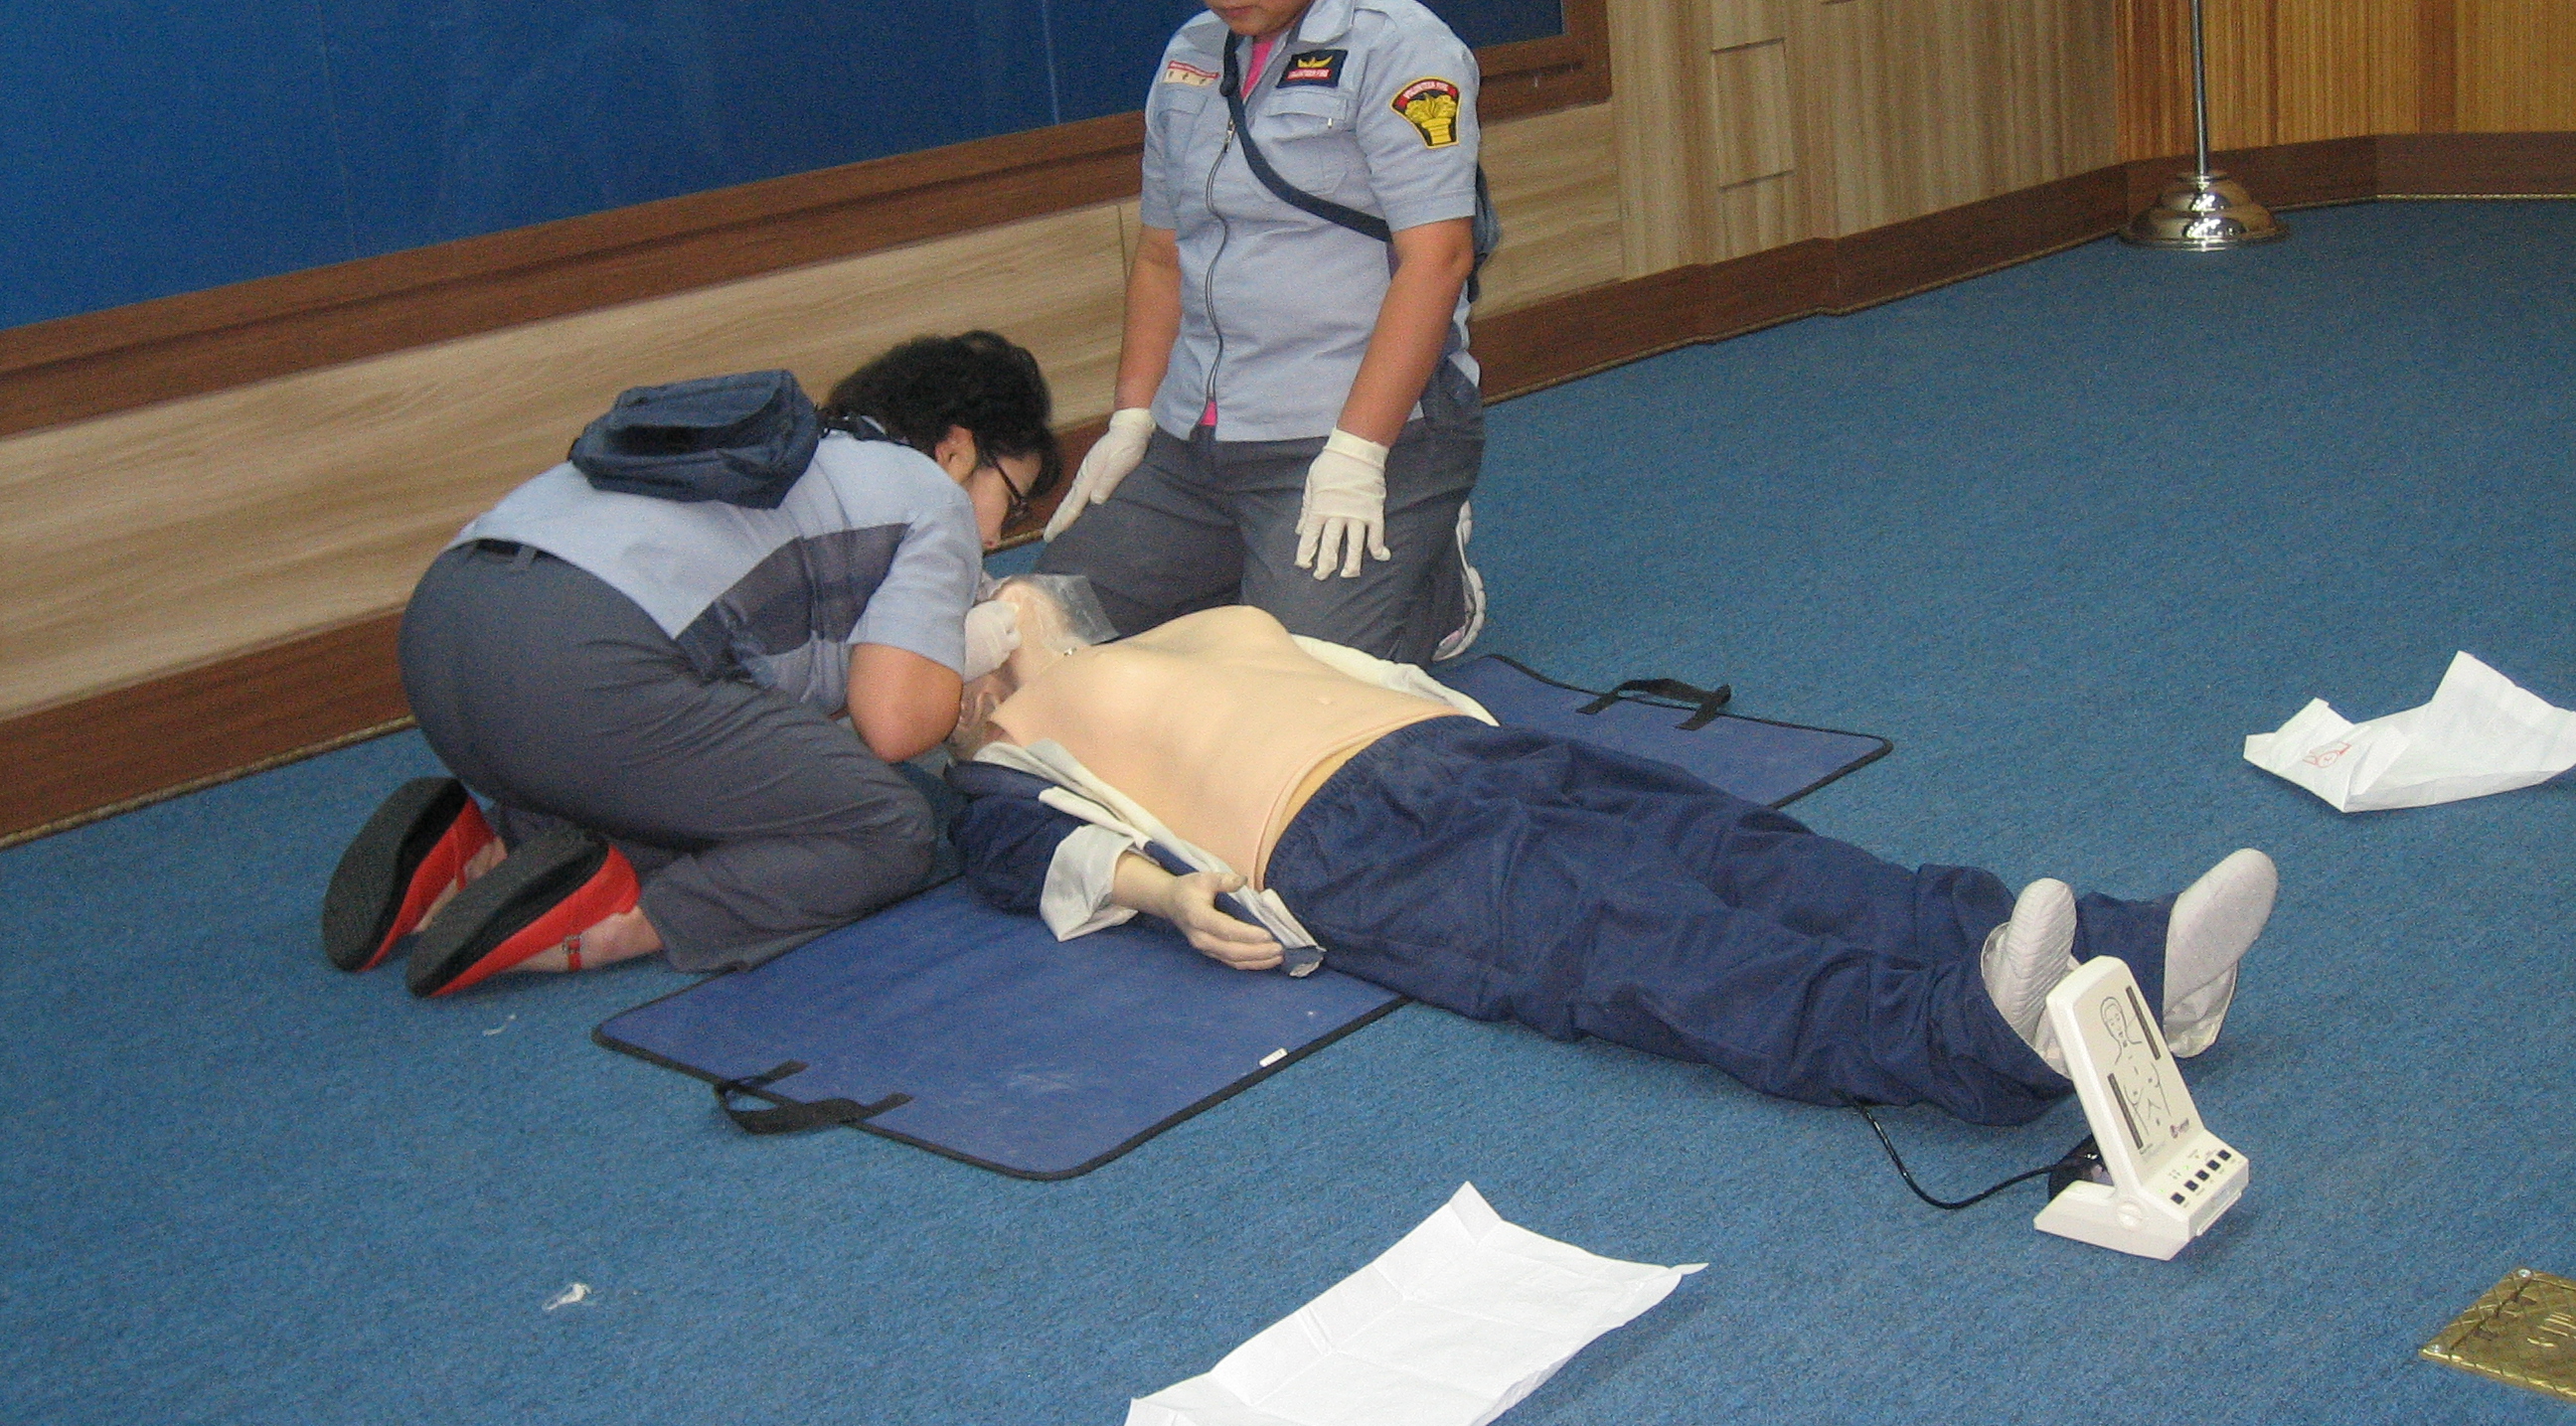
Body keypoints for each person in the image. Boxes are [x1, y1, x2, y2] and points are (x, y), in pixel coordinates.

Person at [944, 586, 2278, 1126]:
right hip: (1350, 842)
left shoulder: (1179, 621)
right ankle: (1967, 1040)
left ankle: (2133, 961)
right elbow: (1017, 849)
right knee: (1658, 939)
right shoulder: (1000, 747)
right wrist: (1170, 894)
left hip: (1471, 751)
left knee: (1759, 856)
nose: (1005, 586)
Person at [323, 332, 1061, 998]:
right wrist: (964, 650)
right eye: (1013, 501)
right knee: (886, 823)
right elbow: (896, 728)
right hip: (580, 671)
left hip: (442, 636)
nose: (998, 537)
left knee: (737, 772)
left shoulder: (786, 451)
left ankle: (483, 846)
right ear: (956, 450)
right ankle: (618, 924)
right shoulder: (931, 496)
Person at [1036, 0, 1487, 667]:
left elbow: (1438, 261)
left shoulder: (1402, 51)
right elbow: (1161, 253)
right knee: (1048, 621)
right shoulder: (1190, 56)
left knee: (1299, 671)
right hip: (1199, 437)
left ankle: (1434, 578)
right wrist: (1132, 417)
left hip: (1350, 424)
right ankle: (1250, 565)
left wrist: (1356, 456)